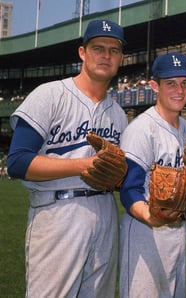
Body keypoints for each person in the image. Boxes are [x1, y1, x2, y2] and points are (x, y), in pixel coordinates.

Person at [7, 19, 128, 297]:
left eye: (114, 50)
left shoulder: (119, 115)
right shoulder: (50, 95)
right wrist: (82, 165)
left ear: (121, 58)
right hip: (57, 213)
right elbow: (17, 162)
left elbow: (122, 175)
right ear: (82, 53)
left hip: (105, 211)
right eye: (98, 48)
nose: (106, 56)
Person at [118, 52, 186, 298]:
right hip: (145, 232)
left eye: (184, 83)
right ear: (155, 86)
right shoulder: (142, 129)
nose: (179, 90)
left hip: (177, 230)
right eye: (170, 83)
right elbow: (129, 188)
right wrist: (151, 217)